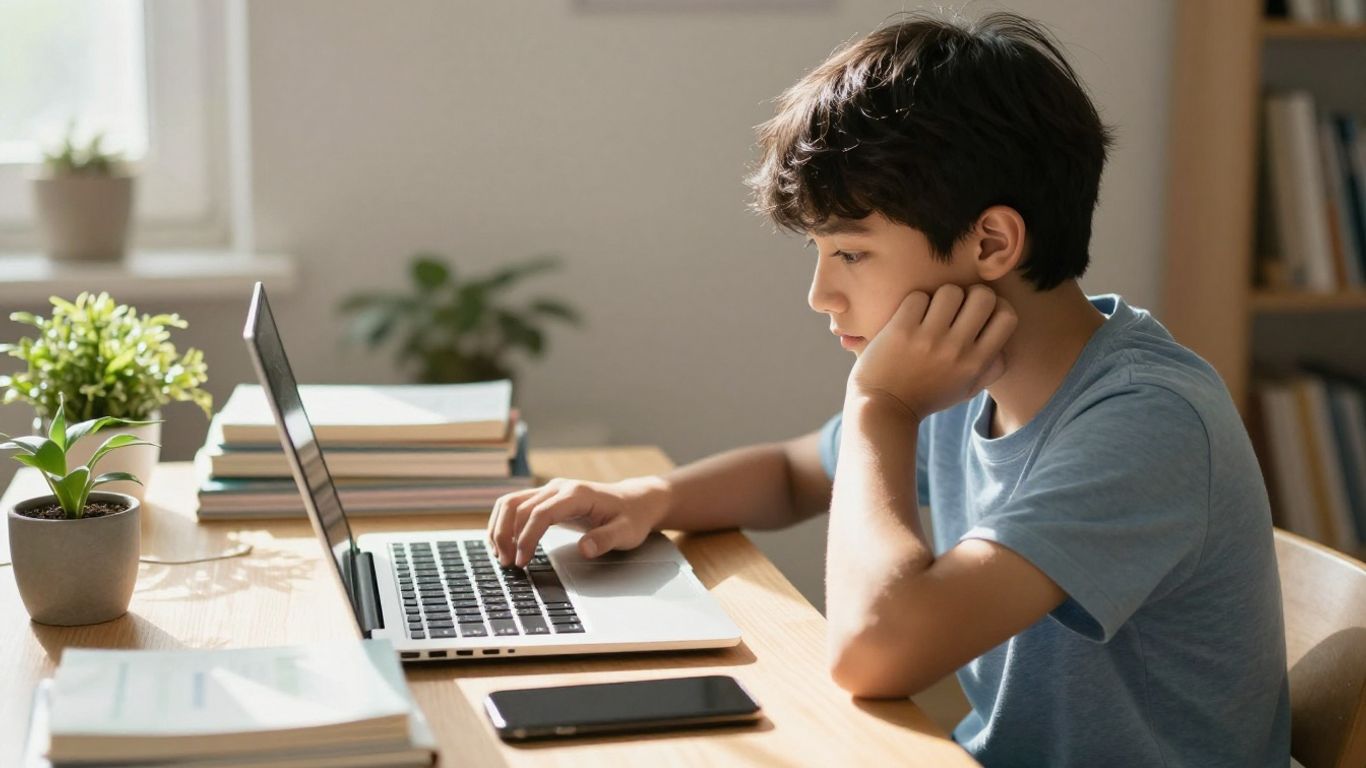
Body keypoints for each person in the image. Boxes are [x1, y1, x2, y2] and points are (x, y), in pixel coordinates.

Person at [486, 10, 1290, 767]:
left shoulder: (1147, 422)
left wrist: (883, 408)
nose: (820, 294)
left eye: (850, 253)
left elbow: (876, 653)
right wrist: (649, 498)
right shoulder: (974, 372)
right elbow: (796, 473)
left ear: (991, 241)